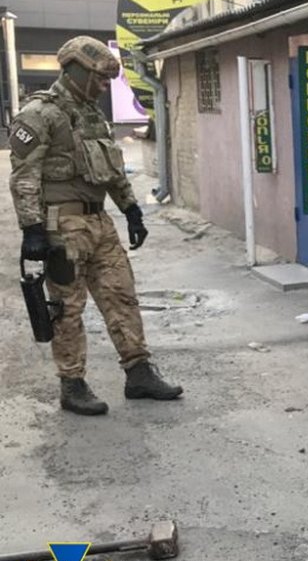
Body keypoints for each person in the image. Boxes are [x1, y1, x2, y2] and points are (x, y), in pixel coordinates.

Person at [8, 36, 182, 416]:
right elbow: (23, 177)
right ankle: (72, 384)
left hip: (99, 222)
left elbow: (112, 170)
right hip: (61, 224)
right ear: (78, 71)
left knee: (121, 295)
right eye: (100, 79)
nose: (104, 86)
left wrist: (131, 209)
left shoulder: (92, 116)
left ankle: (139, 373)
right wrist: (32, 229)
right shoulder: (40, 114)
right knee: (67, 308)